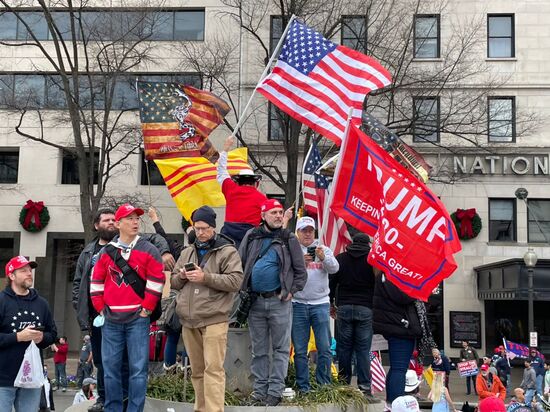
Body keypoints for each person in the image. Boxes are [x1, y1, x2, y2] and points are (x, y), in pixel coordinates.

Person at [72, 207, 172, 412]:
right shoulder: (105, 252)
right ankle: (113, 408)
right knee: (110, 369)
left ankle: (135, 409)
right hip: (111, 319)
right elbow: (96, 281)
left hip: (138, 318)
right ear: (118, 224)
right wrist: (101, 309)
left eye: (137, 219)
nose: (135, 222)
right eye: (129, 219)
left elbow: (157, 280)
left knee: (138, 370)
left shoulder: (148, 249)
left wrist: (146, 309)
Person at [171, 205, 244, 412]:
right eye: (197, 228)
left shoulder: (227, 251)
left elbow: (236, 281)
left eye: (204, 228)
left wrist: (206, 277)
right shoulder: (187, 252)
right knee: (197, 370)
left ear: (213, 227)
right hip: (189, 319)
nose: (200, 232)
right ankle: (200, 408)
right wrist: (182, 276)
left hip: (214, 318)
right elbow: (174, 282)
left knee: (213, 369)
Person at [239, 198, 307, 406]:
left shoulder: (289, 238)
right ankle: (259, 392)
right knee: (259, 350)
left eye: (280, 212)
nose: (278, 216)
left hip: (280, 302)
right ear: (263, 216)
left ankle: (275, 392)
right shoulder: (252, 236)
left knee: (280, 349)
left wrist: (291, 291)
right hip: (255, 302)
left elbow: (301, 272)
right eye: (273, 212)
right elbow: (240, 262)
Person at [0, 256, 57, 412]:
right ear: (11, 276)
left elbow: (52, 335)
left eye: (30, 270)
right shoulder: (2, 302)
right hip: (3, 378)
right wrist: (18, 337)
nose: (29, 274)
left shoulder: (42, 303)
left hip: (31, 378)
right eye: (23, 271)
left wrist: (42, 338)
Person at [291, 216, 339, 393]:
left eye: (310, 230)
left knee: (325, 348)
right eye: (304, 231)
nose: (308, 234)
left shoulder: (323, 249)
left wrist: (323, 258)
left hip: (320, 304)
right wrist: (300, 263)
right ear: (298, 232)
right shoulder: (292, 250)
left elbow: (335, 269)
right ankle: (303, 387)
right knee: (300, 349)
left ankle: (323, 385)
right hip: (298, 303)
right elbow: (285, 273)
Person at [329, 233, 377, 400]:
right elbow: (377, 284)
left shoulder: (341, 258)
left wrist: (330, 303)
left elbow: (332, 282)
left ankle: (343, 384)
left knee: (344, 349)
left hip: (344, 307)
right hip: (365, 308)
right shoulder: (372, 260)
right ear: (367, 244)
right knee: (363, 350)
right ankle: (364, 387)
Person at [372, 269, 422, 411]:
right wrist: (419, 288)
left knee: (397, 368)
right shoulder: (391, 274)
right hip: (400, 326)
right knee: (399, 369)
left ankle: (391, 404)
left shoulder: (384, 274)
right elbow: (402, 296)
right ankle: (395, 404)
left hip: (394, 323)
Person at [217, 135, 267, 247]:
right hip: (250, 240)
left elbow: (221, 170)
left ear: (238, 181)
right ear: (255, 182)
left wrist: (225, 149)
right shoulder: (262, 198)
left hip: (228, 238)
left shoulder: (230, 189)